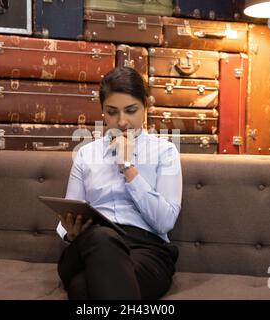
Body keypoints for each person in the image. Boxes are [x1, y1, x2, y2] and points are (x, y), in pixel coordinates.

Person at [56, 67, 183, 300]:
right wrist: (70, 233)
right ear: (102, 111)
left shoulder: (165, 152)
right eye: (112, 112)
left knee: (83, 288)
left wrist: (127, 166)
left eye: (131, 110)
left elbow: (164, 222)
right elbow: (67, 216)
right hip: (87, 246)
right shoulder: (86, 154)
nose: (122, 121)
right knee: (101, 237)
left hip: (145, 249)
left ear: (146, 106)